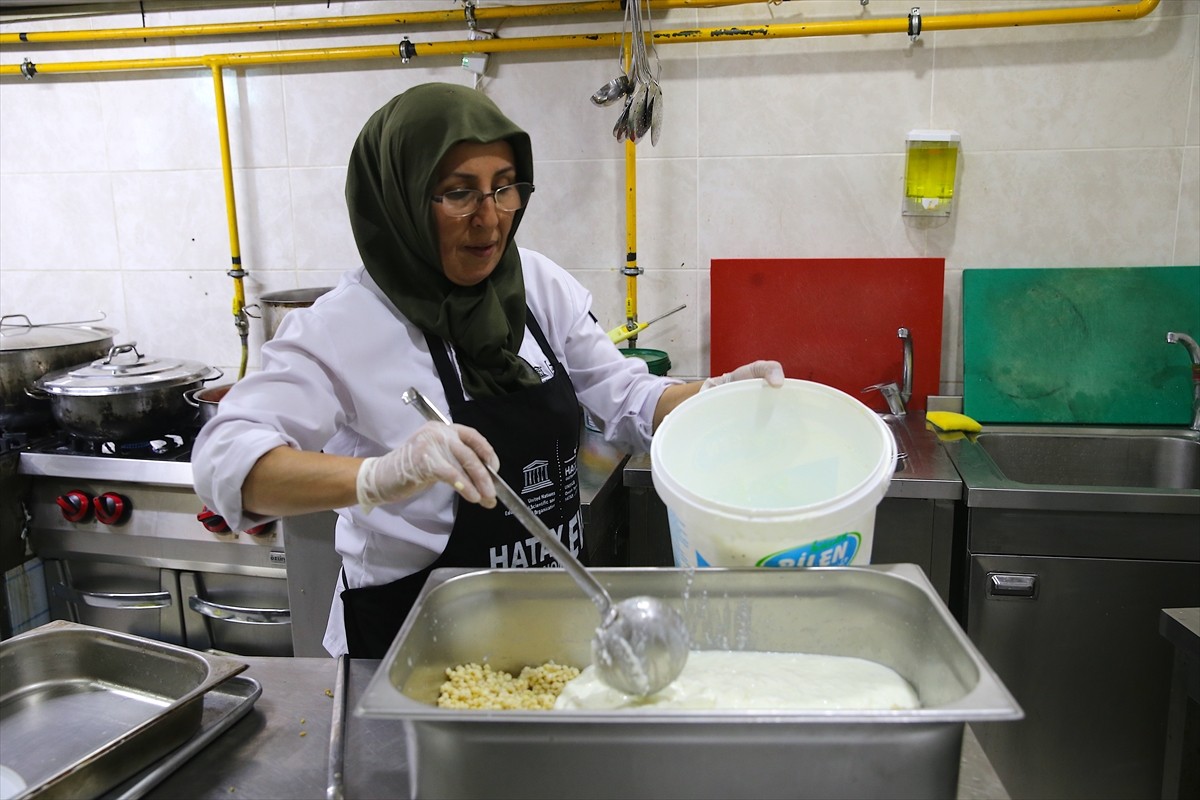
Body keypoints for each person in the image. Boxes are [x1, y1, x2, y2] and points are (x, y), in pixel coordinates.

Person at [192, 82, 783, 659]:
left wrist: (712, 400)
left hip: (549, 630)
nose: (490, 219)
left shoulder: (536, 286)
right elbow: (225, 462)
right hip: (408, 647)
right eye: (458, 193)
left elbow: (624, 396)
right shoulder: (342, 326)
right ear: (398, 199)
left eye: (504, 188)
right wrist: (380, 475)